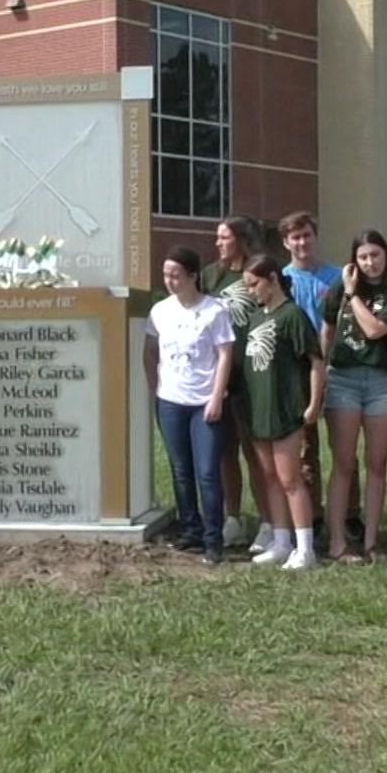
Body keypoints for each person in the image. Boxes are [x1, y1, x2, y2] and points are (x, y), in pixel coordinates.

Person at [318, 230, 387, 563]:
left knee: (378, 464)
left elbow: (375, 330)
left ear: (385, 255)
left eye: (375, 255)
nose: (370, 262)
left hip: (381, 381)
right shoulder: (339, 288)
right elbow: (328, 328)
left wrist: (352, 294)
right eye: (363, 257)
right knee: (344, 463)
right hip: (343, 378)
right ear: (354, 259)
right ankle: (337, 542)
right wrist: (322, 372)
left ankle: (372, 541)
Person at [143, 246, 236, 563]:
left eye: (176, 275)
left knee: (207, 472)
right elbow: (150, 349)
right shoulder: (160, 311)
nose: (169, 280)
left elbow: (225, 355)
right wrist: (154, 385)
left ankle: (214, 539)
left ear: (193, 277)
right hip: (170, 401)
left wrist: (216, 396)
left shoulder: (214, 311)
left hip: (204, 404)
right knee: (180, 470)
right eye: (166, 274)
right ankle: (191, 529)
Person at [239, 254, 327, 570]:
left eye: (254, 284)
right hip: (259, 409)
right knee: (270, 478)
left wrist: (314, 404)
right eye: (246, 285)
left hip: (286, 408)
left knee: (291, 478)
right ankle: (280, 540)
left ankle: (305, 549)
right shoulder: (256, 317)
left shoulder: (292, 315)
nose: (250, 291)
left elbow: (316, 361)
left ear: (273, 279)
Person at [277, 211, 342, 549]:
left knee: (345, 450)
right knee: (304, 449)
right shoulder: (282, 280)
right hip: (298, 374)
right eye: (295, 237)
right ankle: (312, 517)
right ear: (286, 242)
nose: (302, 243)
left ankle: (348, 516)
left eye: (307, 236)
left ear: (315, 237)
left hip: (336, 369)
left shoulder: (336, 277)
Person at [202, 214, 264, 549]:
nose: (218, 243)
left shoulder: (256, 273)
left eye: (224, 237)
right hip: (219, 377)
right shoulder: (210, 276)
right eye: (217, 237)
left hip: (252, 374)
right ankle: (233, 517)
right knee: (226, 452)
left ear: (240, 239)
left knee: (255, 452)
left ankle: (269, 521)